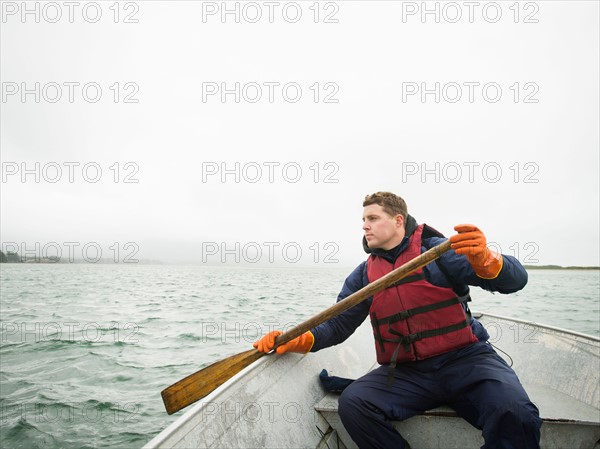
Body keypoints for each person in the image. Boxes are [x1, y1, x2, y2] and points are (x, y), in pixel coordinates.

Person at [254, 192, 541, 449]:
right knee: (354, 404)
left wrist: (489, 260)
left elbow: (516, 281)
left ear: (398, 220)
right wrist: (297, 339)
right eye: (363, 219)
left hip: (467, 361)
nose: (364, 225)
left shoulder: (438, 252)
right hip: (408, 372)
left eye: (373, 218)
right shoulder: (364, 275)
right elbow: (337, 324)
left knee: (515, 411)